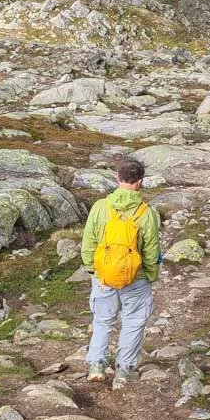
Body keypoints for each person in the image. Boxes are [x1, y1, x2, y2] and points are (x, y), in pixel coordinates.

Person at [80, 158, 161, 390]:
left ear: (117, 178)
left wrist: (92, 269)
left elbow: (89, 243)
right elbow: (151, 249)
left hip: (104, 276)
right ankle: (124, 371)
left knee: (103, 321)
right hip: (136, 278)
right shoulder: (147, 213)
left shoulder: (100, 207)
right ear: (141, 182)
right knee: (134, 322)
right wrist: (151, 274)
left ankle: (96, 364)